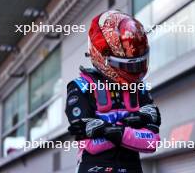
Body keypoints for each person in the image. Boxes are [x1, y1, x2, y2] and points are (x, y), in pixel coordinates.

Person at [65, 10, 161, 173]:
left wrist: (108, 130)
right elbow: (90, 145)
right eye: (127, 66)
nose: (134, 71)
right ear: (103, 56)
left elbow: (152, 142)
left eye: (137, 64)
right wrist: (130, 126)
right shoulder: (80, 86)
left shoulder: (139, 87)